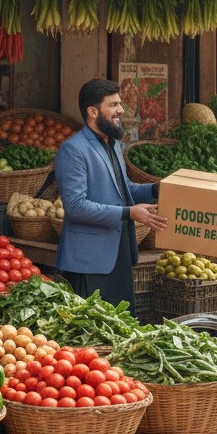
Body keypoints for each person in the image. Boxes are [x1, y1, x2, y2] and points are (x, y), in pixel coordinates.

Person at [54, 78, 167, 308]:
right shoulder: (73, 150)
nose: (121, 110)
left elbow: (125, 190)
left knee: (122, 329)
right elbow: (76, 207)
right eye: (114, 105)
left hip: (119, 253)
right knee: (91, 333)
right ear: (93, 111)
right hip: (89, 261)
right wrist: (129, 213)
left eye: (120, 104)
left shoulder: (114, 144)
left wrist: (156, 189)